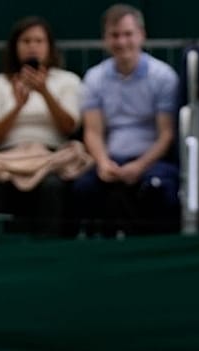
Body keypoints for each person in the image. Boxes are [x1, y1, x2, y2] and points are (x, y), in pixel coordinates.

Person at [0, 16, 87, 243]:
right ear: (15, 47)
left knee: (52, 187)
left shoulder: (68, 81)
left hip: (51, 158)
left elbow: (69, 127)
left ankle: (48, 255)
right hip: (7, 158)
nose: (32, 47)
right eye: (26, 41)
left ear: (49, 46)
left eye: (39, 41)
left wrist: (45, 93)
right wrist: (18, 106)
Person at [75, 5, 181, 236]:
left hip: (152, 163)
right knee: (83, 188)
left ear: (141, 35)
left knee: (159, 190)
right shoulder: (94, 78)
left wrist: (140, 166)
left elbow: (166, 134)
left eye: (128, 34)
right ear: (105, 39)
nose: (122, 42)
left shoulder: (163, 77)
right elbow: (93, 131)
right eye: (115, 35)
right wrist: (103, 163)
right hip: (110, 161)